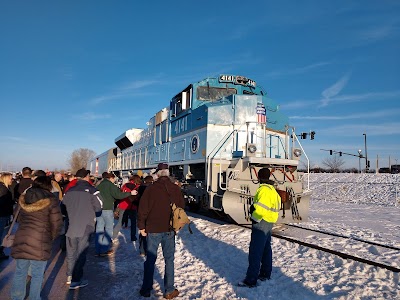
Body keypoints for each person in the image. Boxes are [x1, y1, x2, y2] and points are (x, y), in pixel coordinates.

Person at [10, 175, 63, 300]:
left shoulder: (24, 197)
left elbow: (17, 217)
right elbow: (57, 223)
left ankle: (16, 297)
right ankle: (34, 297)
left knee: (20, 272)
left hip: (22, 237)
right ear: (47, 185)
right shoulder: (51, 199)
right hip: (41, 240)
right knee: (37, 274)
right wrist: (51, 237)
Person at [138, 163, 184, 299]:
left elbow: (143, 209)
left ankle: (146, 289)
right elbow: (181, 207)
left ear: (157, 174)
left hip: (153, 229)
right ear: (168, 173)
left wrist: (141, 227)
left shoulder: (150, 189)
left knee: (150, 259)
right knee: (169, 260)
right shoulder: (175, 189)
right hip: (170, 229)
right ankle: (169, 290)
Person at [239, 167, 281, 287]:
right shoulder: (273, 190)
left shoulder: (263, 190)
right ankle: (265, 274)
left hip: (261, 222)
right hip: (269, 222)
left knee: (255, 251)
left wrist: (254, 216)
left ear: (258, 177)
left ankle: (250, 280)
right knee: (266, 249)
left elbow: (260, 209)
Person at [62, 168, 103, 289]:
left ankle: (69, 276)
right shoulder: (93, 191)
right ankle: (76, 280)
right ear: (86, 177)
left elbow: (63, 208)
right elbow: (99, 207)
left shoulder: (68, 191)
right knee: (80, 254)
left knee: (71, 253)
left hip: (71, 226)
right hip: (86, 226)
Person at [96, 172, 135, 255]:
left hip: (99, 210)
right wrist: (130, 193)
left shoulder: (99, 185)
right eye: (114, 179)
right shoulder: (110, 185)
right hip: (108, 209)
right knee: (108, 230)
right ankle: (104, 249)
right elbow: (118, 195)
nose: (114, 180)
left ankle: (98, 249)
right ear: (111, 178)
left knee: (99, 230)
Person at [116, 174, 142, 242]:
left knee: (120, 222)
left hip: (123, 205)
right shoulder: (137, 187)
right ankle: (133, 237)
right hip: (132, 206)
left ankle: (113, 235)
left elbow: (120, 193)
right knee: (133, 223)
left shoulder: (125, 185)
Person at [136, 175, 154, 256]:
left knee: (142, 230)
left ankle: (142, 250)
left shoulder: (140, 188)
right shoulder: (154, 188)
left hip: (141, 211)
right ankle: (149, 249)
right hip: (151, 212)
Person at [0, 172, 15, 260]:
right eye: (10, 178)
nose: (12, 180)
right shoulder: (3, 189)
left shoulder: (5, 188)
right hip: (2, 214)